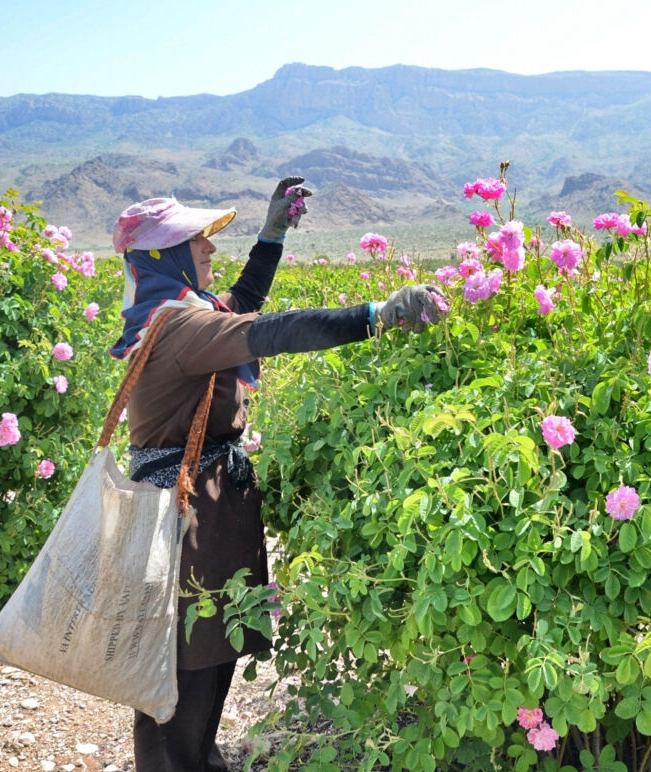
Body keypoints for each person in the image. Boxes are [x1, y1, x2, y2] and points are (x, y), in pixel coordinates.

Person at [109, 177, 445, 771]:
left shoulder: (176, 314)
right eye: (196, 240)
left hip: (195, 508)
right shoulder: (183, 328)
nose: (210, 248)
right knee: (188, 671)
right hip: (187, 519)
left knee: (201, 658)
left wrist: (271, 236)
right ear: (164, 256)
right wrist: (374, 315)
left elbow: (242, 306)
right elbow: (269, 330)